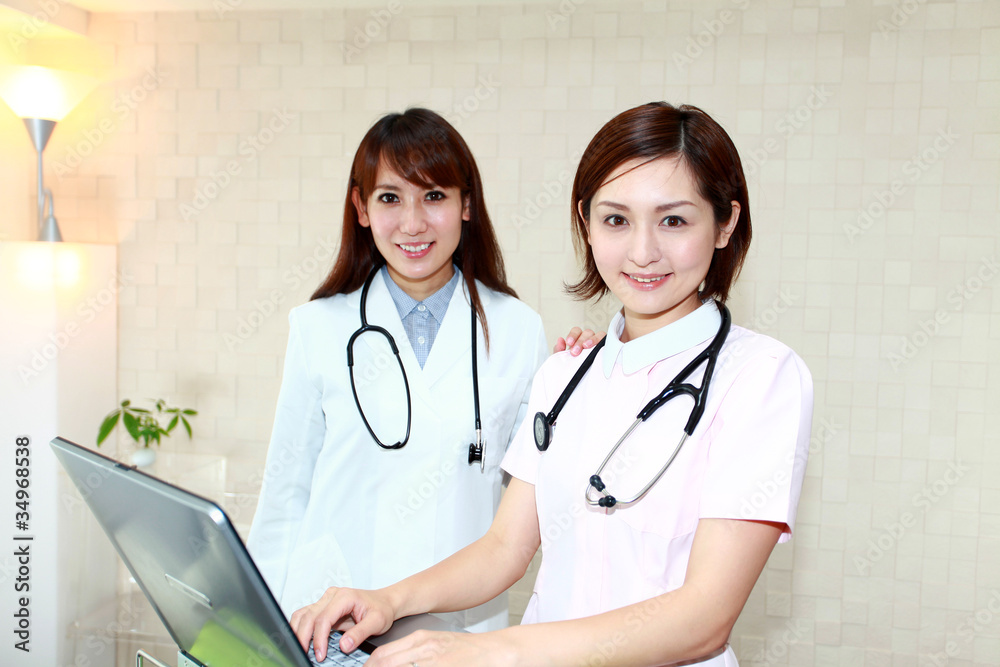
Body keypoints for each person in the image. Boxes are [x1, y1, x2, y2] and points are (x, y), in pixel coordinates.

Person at [290, 101, 814, 666]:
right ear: (587, 223)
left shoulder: (761, 377)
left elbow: (704, 619)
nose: (642, 252)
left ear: (725, 224)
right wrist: (387, 600)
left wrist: (490, 651)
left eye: (674, 221)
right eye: (616, 220)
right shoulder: (565, 375)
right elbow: (504, 549)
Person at [247, 108, 600, 634]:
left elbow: (539, 491)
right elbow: (284, 495)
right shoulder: (317, 327)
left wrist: (584, 384)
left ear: (466, 205)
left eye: (434, 196)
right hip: (329, 621)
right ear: (361, 208)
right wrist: (256, 631)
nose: (412, 224)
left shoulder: (517, 329)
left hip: (456, 625)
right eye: (390, 198)